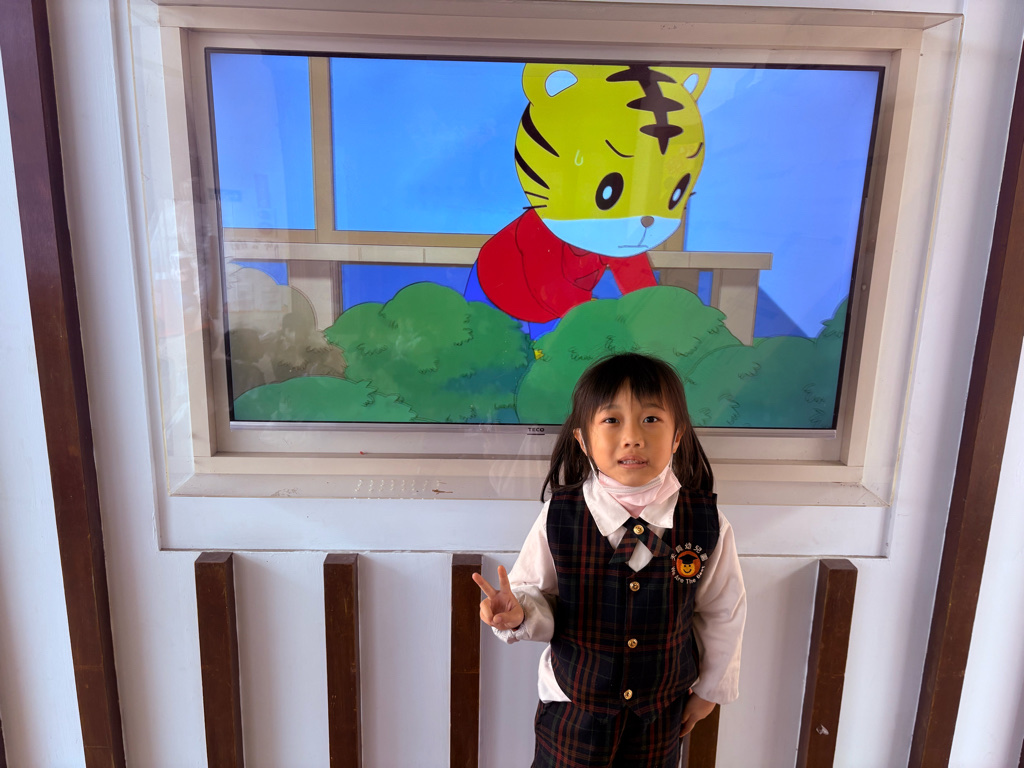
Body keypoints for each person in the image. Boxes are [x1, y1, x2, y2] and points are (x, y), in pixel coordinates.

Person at [473, 353, 746, 767]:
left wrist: (709, 692)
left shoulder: (706, 522)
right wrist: (518, 612)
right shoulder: (559, 516)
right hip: (572, 711)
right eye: (612, 420)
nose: (632, 437)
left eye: (651, 419)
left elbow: (724, 611)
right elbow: (537, 597)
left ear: (677, 436)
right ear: (583, 440)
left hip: (659, 715)